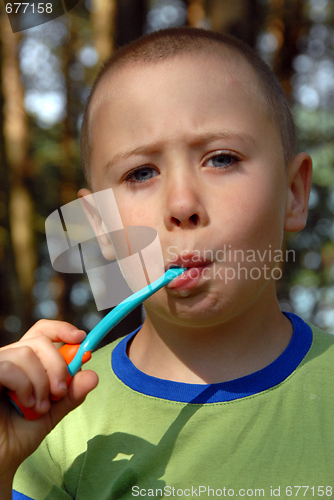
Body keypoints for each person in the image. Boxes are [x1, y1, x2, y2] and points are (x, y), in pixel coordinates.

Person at [1, 27, 332, 499]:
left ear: (294, 194)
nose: (182, 204)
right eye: (141, 172)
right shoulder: (52, 430)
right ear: (101, 229)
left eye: (220, 159)